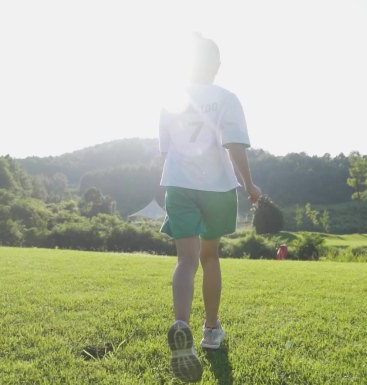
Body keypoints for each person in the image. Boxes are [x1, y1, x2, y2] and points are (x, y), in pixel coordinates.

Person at [159, 33, 261, 382]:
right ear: (216, 66)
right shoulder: (227, 99)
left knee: (185, 261)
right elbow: (235, 147)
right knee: (210, 257)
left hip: (179, 184)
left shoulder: (171, 98)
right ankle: (211, 330)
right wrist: (250, 186)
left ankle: (181, 324)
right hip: (216, 187)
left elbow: (165, 148)